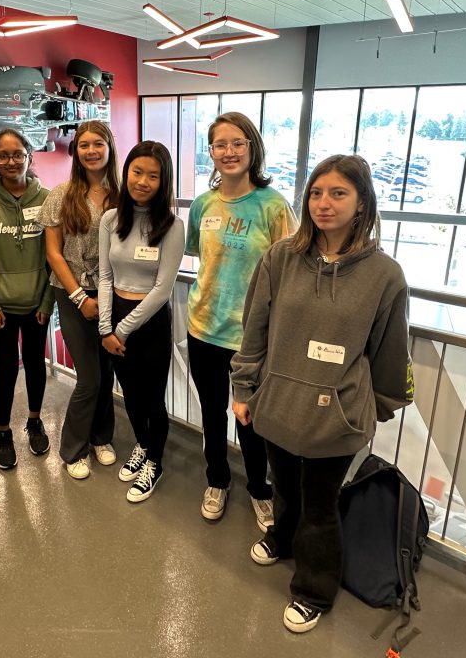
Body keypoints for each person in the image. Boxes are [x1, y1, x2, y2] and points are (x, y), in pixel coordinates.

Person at [231, 154, 413, 633]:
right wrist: (243, 388)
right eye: (316, 193)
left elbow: (390, 349)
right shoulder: (280, 258)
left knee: (320, 504)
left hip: (338, 412)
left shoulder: (385, 275)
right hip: (279, 401)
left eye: (338, 194)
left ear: (362, 203)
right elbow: (255, 329)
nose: (323, 204)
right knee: (284, 486)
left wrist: (383, 405)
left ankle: (313, 589)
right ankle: (281, 539)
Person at [186, 112, 296, 531]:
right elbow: (202, 256)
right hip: (203, 329)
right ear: (210, 152)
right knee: (212, 414)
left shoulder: (273, 206)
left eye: (238, 143)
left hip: (252, 338)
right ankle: (217, 480)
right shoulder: (203, 204)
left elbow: (289, 271)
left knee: (252, 420)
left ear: (252, 148)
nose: (228, 152)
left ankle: (259, 489)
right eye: (220, 145)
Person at [99, 141, 184, 503]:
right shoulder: (110, 219)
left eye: (153, 175)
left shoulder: (172, 225)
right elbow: (105, 277)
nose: (143, 181)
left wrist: (121, 329)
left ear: (163, 181)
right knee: (130, 394)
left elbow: (163, 289)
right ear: (126, 172)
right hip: (115, 317)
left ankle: (155, 461)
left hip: (149, 324)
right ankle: (143, 445)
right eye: (137, 172)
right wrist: (105, 327)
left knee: (152, 398)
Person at [38, 121, 121, 480]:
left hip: (113, 293)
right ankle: (73, 448)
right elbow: (53, 254)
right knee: (88, 376)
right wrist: (78, 297)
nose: (90, 150)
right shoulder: (61, 194)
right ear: (76, 151)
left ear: (109, 147)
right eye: (83, 145)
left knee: (105, 371)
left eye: (97, 143)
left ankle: (101, 438)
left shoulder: (122, 194)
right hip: (71, 291)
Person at [0, 128, 53, 470]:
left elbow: (55, 257)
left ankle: (34, 420)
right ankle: (3, 432)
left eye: (17, 154)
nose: (10, 161)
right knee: (5, 371)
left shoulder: (47, 198)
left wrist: (47, 303)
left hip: (37, 306)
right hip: (1, 308)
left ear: (29, 156)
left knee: (35, 365)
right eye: (3, 155)